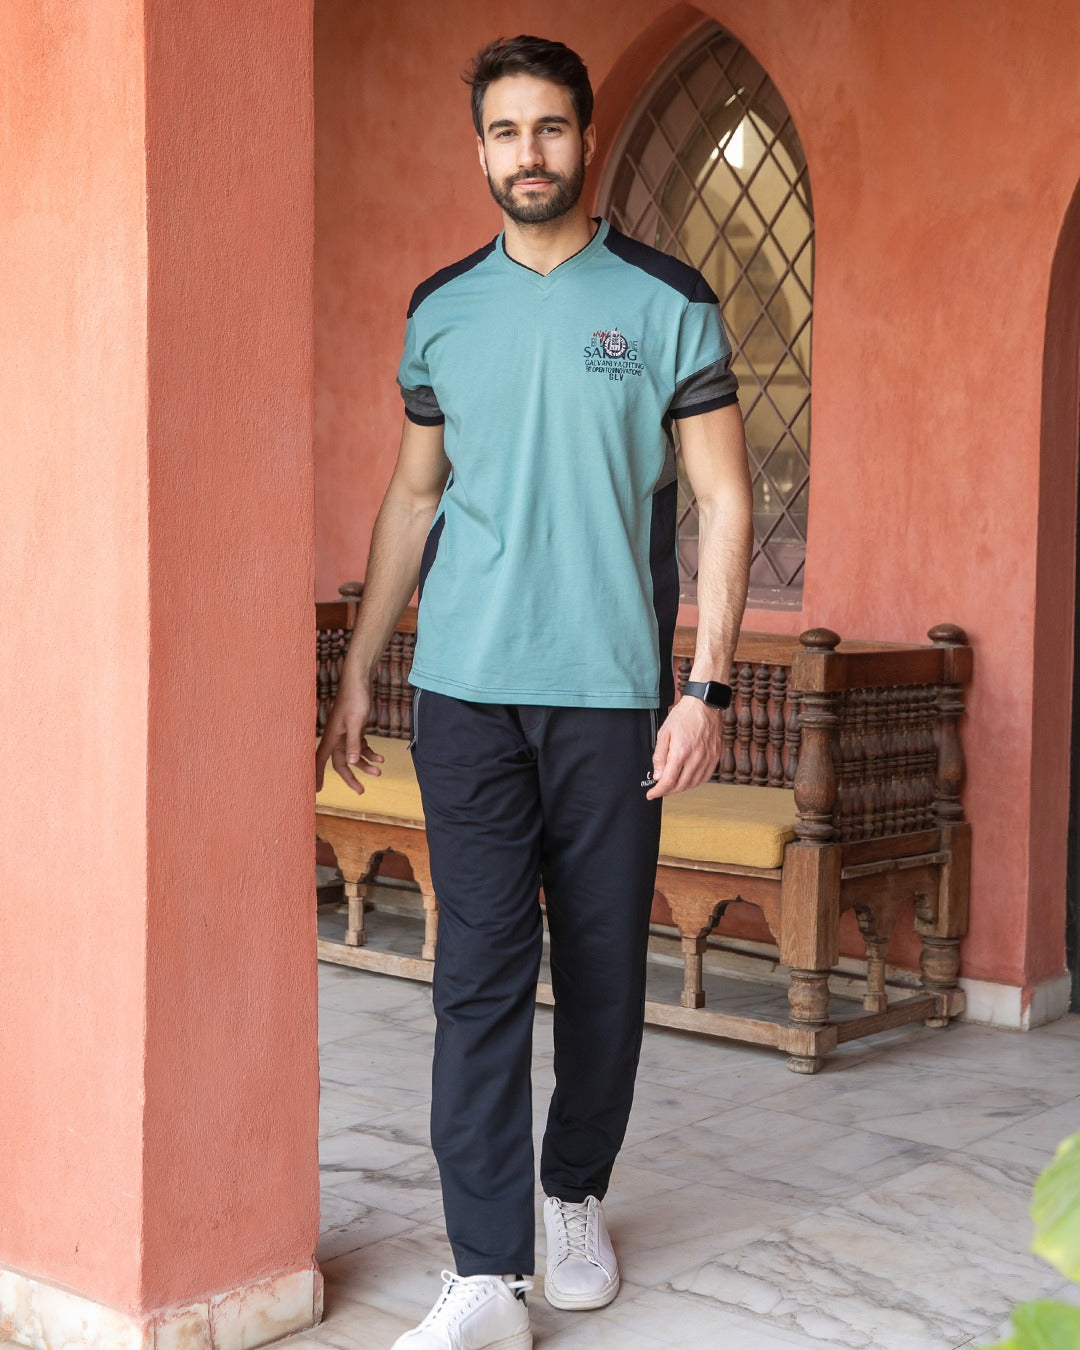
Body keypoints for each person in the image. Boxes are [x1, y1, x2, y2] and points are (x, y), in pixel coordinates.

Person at [315, 33, 753, 1350]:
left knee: (606, 969)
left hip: (614, 695)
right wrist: (361, 664)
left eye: (551, 128)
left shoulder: (667, 300)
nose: (529, 153)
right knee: (479, 973)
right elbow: (413, 497)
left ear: (587, 138)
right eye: (505, 132)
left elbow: (726, 497)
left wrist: (707, 686)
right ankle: (487, 1271)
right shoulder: (441, 309)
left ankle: (573, 1195)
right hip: (464, 692)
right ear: (482, 149)